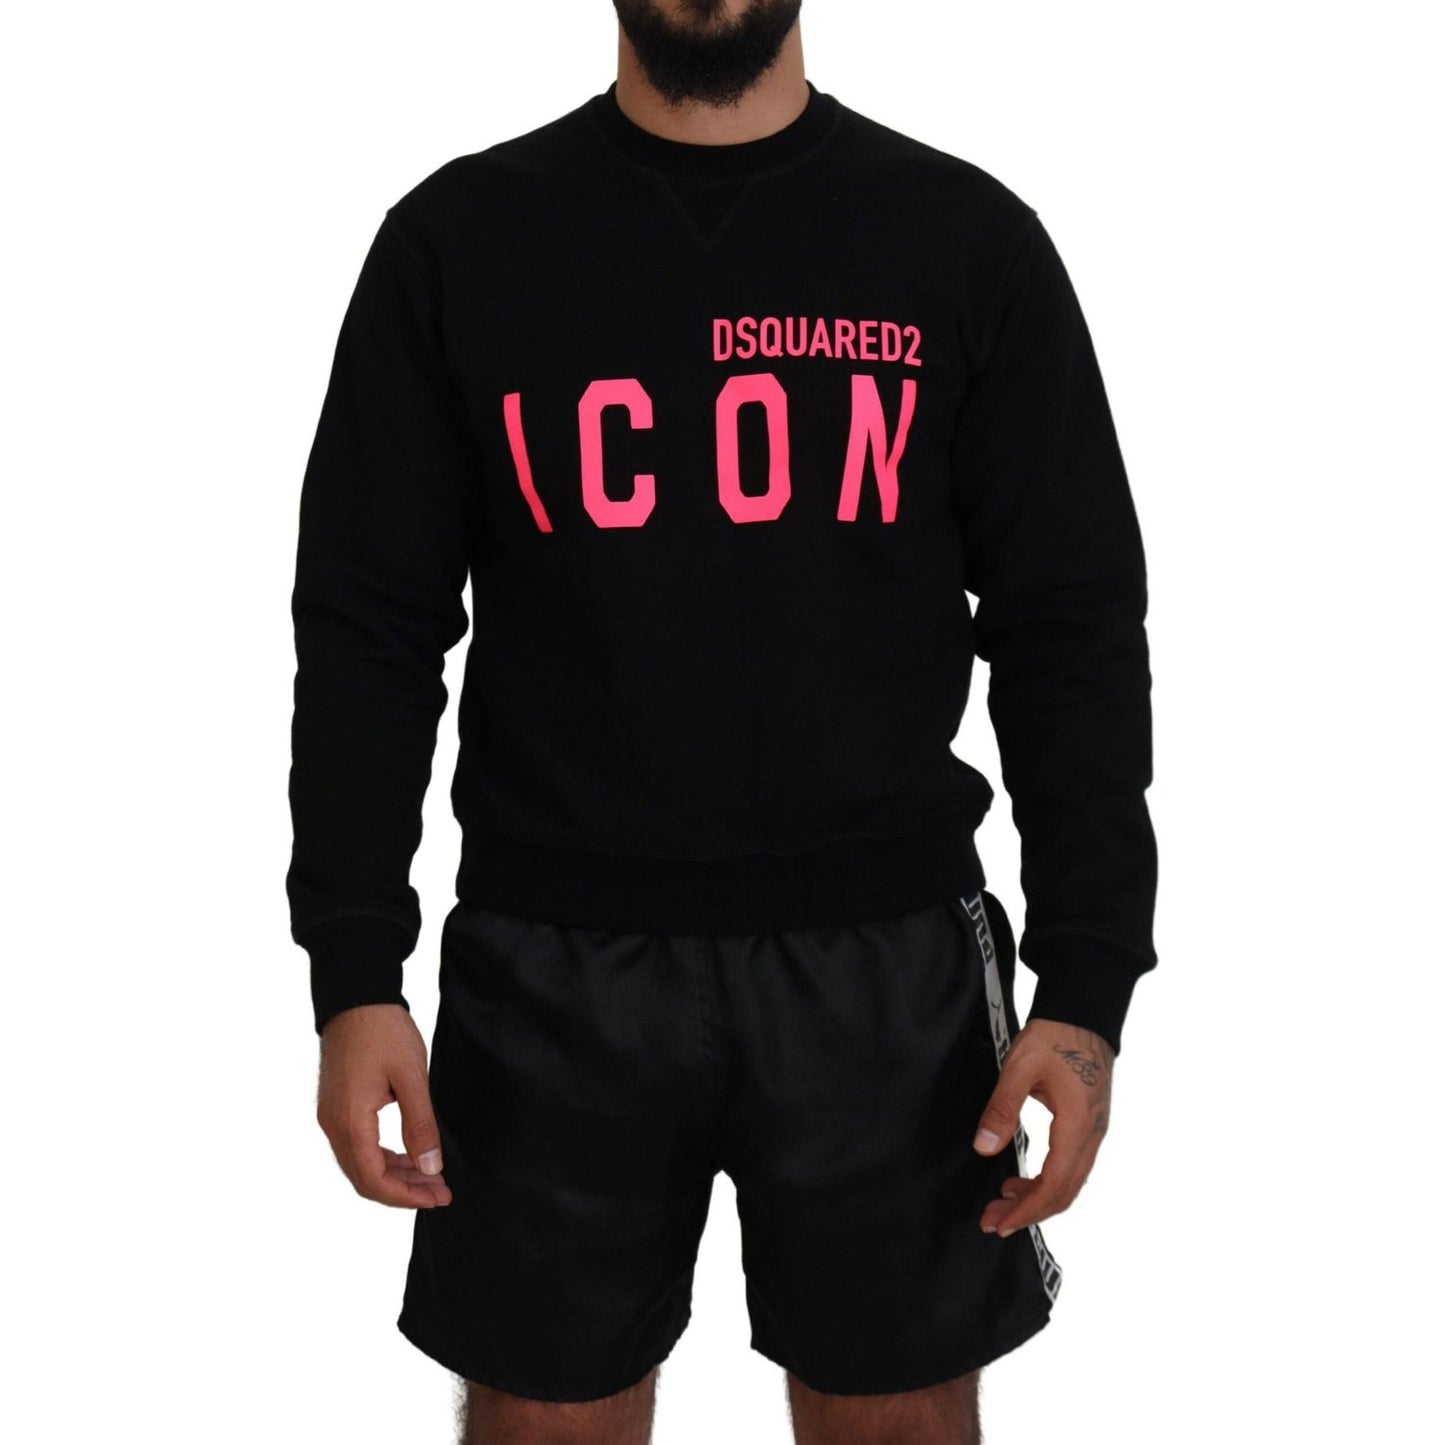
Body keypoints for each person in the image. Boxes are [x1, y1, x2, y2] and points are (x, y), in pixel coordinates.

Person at [287, 2, 1158, 1441]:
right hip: (552, 963)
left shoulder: (962, 240)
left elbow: (1070, 629)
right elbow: (369, 630)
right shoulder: (458, 242)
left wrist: (1085, 987)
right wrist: (351, 966)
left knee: (900, 1425)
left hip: (885, 965)